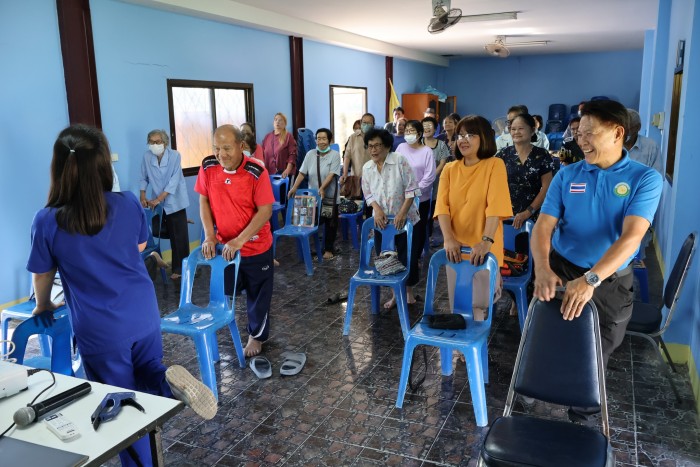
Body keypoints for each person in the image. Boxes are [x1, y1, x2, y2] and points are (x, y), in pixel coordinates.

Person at [27, 125, 216, 467]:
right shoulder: (127, 202)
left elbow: (42, 273)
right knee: (147, 369)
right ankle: (165, 383)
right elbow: (140, 247)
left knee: (120, 406)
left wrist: (43, 304)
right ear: (103, 165)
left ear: (58, 168)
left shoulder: (48, 220)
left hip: (101, 329)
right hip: (143, 313)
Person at [532, 100, 663, 420]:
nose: (582, 141)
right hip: (563, 269)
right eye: (579, 134)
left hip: (610, 280)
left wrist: (591, 279)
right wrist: (543, 268)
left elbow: (631, 237)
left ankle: (583, 417)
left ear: (617, 133)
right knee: (551, 339)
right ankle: (538, 398)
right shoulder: (567, 175)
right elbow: (543, 226)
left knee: (595, 352)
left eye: (590, 133)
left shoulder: (644, 179)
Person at [196, 124, 275, 358]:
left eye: (227, 148)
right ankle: (224, 327)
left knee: (258, 295)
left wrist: (240, 240)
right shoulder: (208, 166)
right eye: (216, 148)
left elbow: (265, 211)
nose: (221, 154)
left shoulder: (256, 171)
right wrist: (210, 235)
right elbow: (203, 201)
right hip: (226, 247)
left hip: (255, 246)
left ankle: (256, 336)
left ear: (241, 146)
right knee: (226, 290)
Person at [434, 116, 513, 320]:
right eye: (460, 135)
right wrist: (449, 239)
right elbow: (442, 208)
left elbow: (495, 208)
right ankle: (461, 341)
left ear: (484, 137)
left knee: (479, 306)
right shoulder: (450, 169)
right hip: (456, 249)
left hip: (484, 248)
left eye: (470, 135)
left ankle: (474, 340)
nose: (463, 139)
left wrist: (486, 241)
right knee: (458, 305)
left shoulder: (495, 165)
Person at [361, 128, 420, 309]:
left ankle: (408, 293)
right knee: (386, 258)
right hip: (382, 223)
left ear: (387, 146)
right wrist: (377, 210)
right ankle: (395, 295)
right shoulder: (367, 167)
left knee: (407, 257)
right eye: (370, 146)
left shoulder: (399, 161)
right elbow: (368, 193)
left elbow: (411, 189)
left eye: (377, 145)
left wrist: (402, 213)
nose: (373, 150)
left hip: (405, 219)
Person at [139, 129, 190, 279]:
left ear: (165, 143)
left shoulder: (175, 156)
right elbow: (143, 177)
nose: (154, 145)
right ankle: (181, 225)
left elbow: (174, 181)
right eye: (151, 142)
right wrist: (143, 195)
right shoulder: (147, 156)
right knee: (156, 230)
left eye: (158, 142)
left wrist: (158, 199)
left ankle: (179, 269)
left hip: (175, 200)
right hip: (157, 200)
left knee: (179, 237)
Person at [396, 120, 436, 305]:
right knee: (400, 244)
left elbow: (429, 176)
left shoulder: (427, 151)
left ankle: (409, 288)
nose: (409, 134)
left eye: (412, 131)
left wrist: (413, 191)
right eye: (407, 131)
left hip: (420, 201)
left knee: (414, 244)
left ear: (420, 134)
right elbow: (395, 171)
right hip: (401, 202)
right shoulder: (401, 148)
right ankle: (398, 290)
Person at [288, 128, 341, 259]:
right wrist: (294, 187)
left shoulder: (334, 155)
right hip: (313, 198)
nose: (321, 141)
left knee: (330, 223)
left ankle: (328, 249)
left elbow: (331, 174)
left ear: (330, 140)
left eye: (324, 138)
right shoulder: (310, 154)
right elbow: (302, 173)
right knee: (311, 222)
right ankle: (314, 247)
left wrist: (322, 188)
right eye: (318, 138)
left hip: (330, 196)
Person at [495, 113, 554, 228]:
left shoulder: (542, 155)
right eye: (513, 129)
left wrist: (528, 212)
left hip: (534, 215)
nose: (516, 132)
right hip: (505, 216)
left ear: (532, 130)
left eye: (521, 128)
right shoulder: (503, 154)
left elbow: (547, 188)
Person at [422, 116, 451, 240]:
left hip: (436, 183)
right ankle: (422, 236)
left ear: (435, 129)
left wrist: (431, 176)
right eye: (424, 126)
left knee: (433, 209)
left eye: (429, 126)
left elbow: (443, 162)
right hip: (420, 183)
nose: (426, 128)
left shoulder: (441, 145)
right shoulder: (418, 143)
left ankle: (431, 236)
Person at [626, 108, 663, 174]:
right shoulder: (611, 145)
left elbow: (657, 175)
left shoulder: (651, 147)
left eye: (628, 129)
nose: (624, 133)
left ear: (638, 127)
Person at [261, 112, 296, 178]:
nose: (277, 122)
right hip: (268, 174)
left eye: (280, 120)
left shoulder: (288, 136)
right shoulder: (267, 137)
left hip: (284, 174)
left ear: (285, 123)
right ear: (273, 123)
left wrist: (288, 170)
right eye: (276, 119)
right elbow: (262, 154)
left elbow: (292, 155)